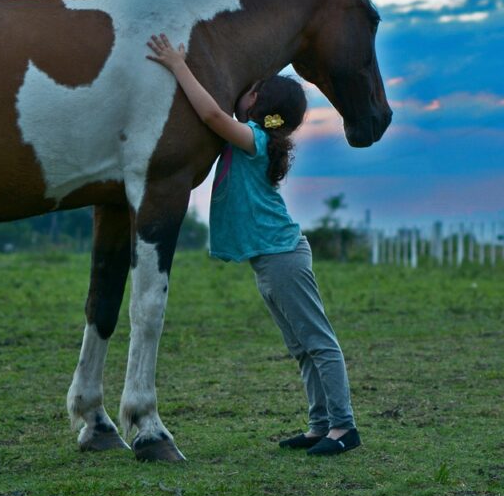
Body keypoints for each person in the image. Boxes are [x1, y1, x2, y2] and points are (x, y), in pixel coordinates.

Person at [145, 33, 360, 456]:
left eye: (251, 88)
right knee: (301, 347)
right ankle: (320, 425)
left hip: (282, 256)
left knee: (319, 342)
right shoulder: (254, 138)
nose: (242, 90)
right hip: (270, 259)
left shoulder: (254, 139)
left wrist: (178, 64)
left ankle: (344, 427)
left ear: (258, 103)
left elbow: (211, 113)